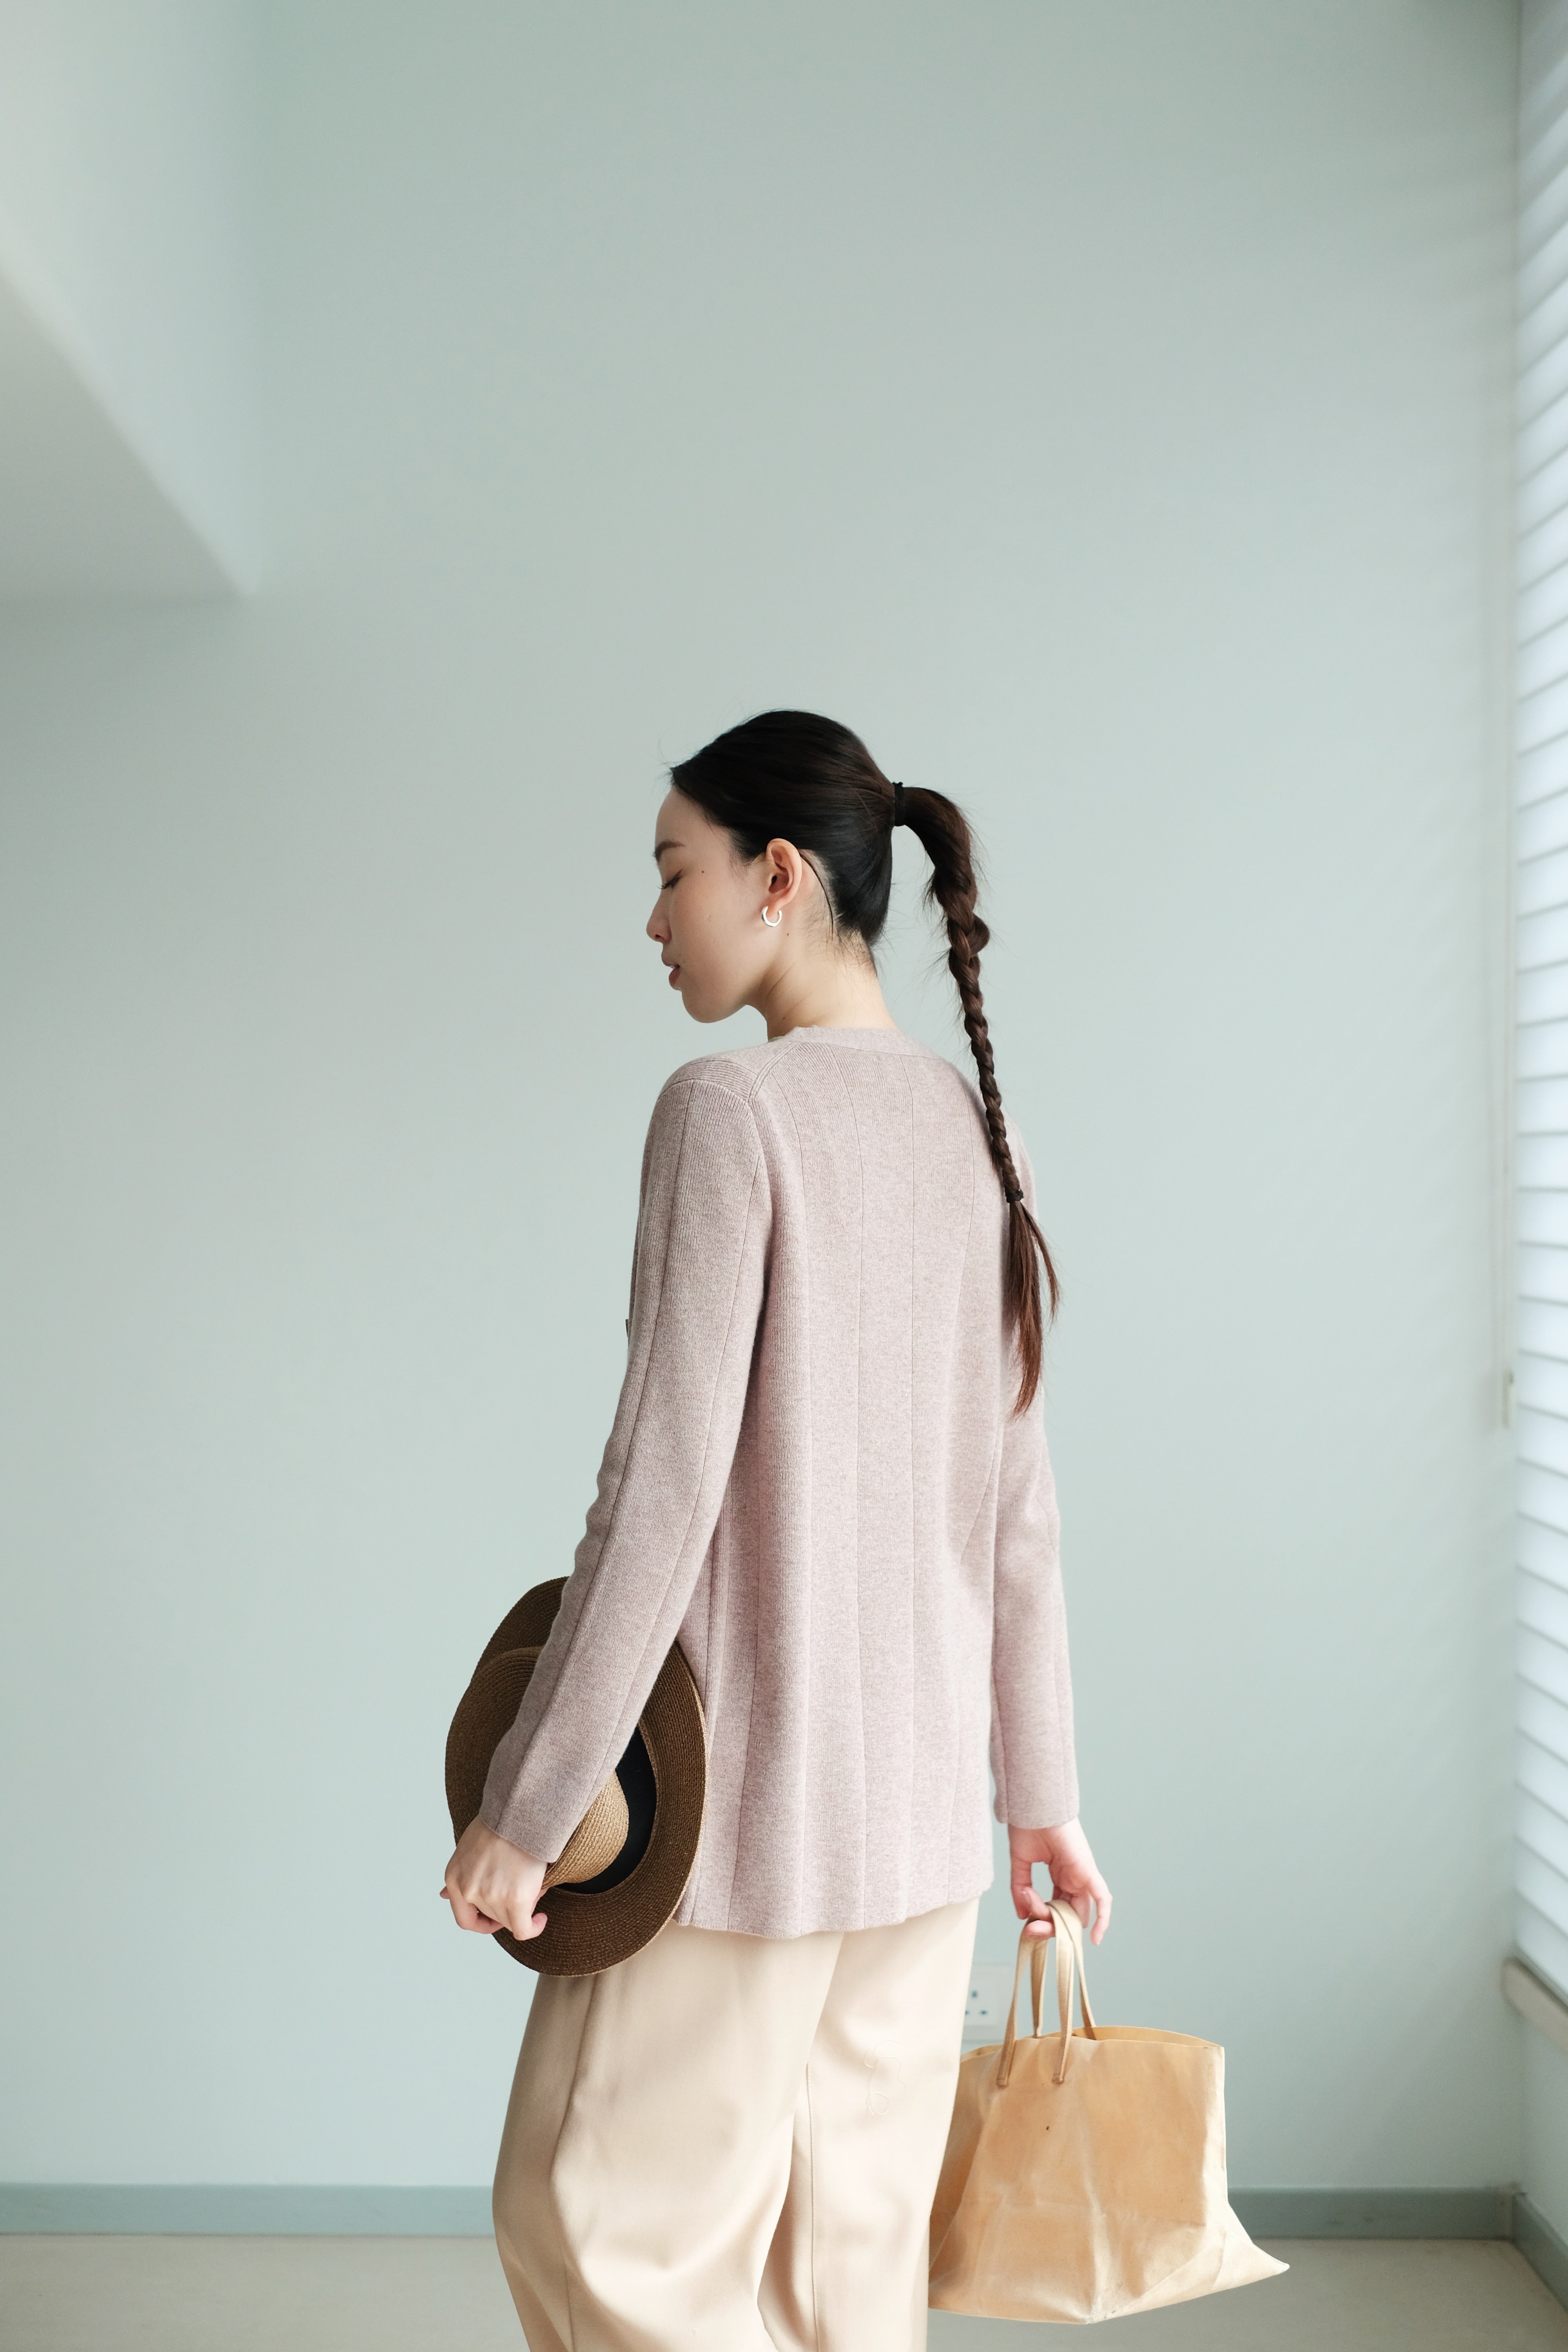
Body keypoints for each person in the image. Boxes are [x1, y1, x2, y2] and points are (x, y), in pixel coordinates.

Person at [441, 710, 1111, 2352]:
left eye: (676, 871)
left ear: (780, 876)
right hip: (918, 1843)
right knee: (846, 2292)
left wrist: (531, 1807)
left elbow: (657, 1497)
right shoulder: (980, 1132)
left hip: (735, 1840)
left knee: (600, 2233)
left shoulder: (727, 1111)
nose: (654, 916)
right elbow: (1019, 1511)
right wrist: (1041, 1798)